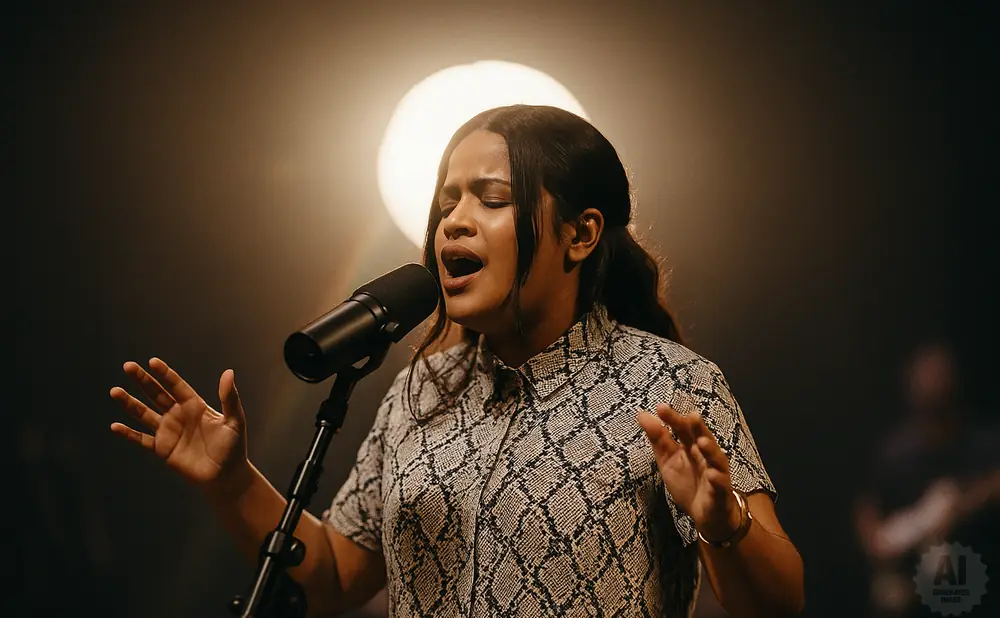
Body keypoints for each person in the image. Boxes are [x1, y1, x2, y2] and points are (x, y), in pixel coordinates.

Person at [110, 104, 804, 617]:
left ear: (581, 233)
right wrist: (233, 484)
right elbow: (330, 579)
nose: (455, 220)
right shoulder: (421, 388)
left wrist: (724, 523)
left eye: (492, 198)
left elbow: (781, 605)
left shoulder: (671, 385)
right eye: (448, 201)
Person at [854, 342, 1000, 617]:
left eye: (940, 374)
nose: (933, 384)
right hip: (918, 600)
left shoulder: (985, 443)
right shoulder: (894, 454)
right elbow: (868, 512)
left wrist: (961, 505)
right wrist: (883, 561)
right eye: (926, 375)